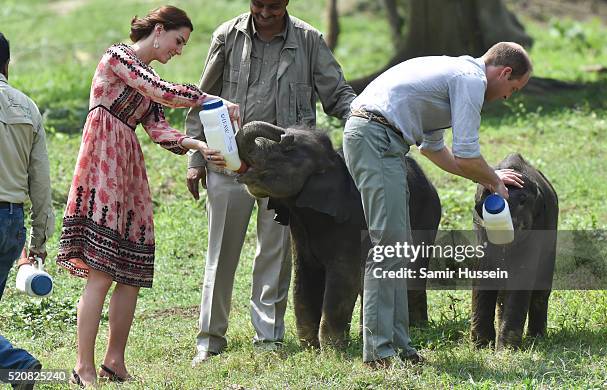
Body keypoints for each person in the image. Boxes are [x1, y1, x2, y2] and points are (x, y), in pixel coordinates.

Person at [55, 6, 241, 386]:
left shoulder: (148, 79)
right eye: (178, 40)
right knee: (102, 273)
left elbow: (158, 129)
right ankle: (82, 366)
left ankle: (114, 361)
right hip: (103, 161)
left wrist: (198, 145)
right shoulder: (119, 57)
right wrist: (206, 98)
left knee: (131, 271)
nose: (179, 49)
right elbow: (161, 92)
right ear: (159, 30)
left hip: (128, 169)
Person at [185, 0, 355, 366]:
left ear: (287, 4)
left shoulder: (309, 39)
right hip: (228, 162)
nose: (265, 12)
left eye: (274, 6)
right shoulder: (227, 35)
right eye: (258, 4)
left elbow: (337, 94)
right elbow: (201, 98)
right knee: (221, 254)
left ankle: (268, 337)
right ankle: (210, 340)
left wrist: (366, 119)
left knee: (276, 255)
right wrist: (196, 159)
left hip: (286, 174)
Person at [343, 42, 529, 368]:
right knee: (387, 248)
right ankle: (377, 353)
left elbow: (433, 149)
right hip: (375, 135)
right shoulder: (471, 80)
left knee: (398, 247)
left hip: (383, 138)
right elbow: (467, 154)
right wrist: (495, 180)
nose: (507, 97)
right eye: (512, 88)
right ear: (505, 72)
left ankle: (400, 347)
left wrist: (486, 176)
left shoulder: (455, 75)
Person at [0, 32, 52, 390]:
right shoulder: (27, 106)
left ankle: (18, 364)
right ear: (6, 63)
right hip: (13, 221)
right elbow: (41, 180)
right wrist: (39, 238)